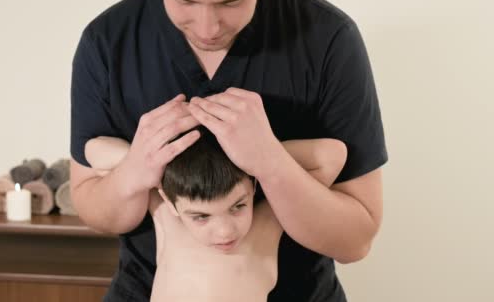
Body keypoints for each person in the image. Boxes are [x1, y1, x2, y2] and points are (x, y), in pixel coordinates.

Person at [70, 0, 388, 300]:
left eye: (232, 2)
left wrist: (270, 163)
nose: (207, 28)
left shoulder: (328, 39)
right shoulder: (107, 42)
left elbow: (355, 242)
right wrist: (134, 172)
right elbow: (93, 205)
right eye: (183, 0)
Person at [83, 128, 347, 302]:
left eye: (238, 207)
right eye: (201, 217)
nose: (225, 231)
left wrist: (262, 156)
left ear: (253, 188)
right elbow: (93, 150)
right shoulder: (167, 212)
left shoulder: (269, 219)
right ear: (170, 200)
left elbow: (332, 155)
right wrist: (163, 164)